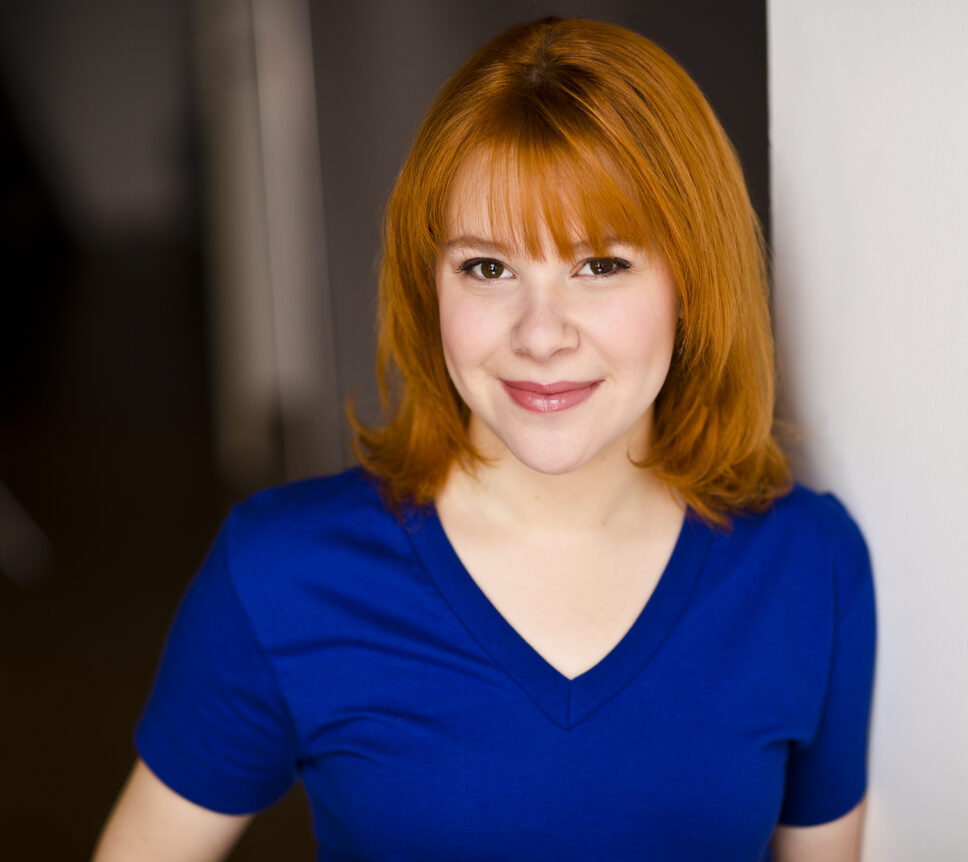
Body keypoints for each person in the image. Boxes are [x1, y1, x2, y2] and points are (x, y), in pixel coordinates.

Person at [94, 17, 875, 862]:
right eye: (488, 268)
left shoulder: (807, 567)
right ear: (428, 283)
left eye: (601, 265)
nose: (541, 336)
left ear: (696, 283)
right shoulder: (281, 574)